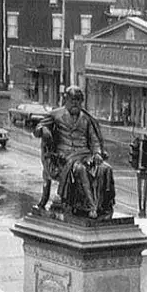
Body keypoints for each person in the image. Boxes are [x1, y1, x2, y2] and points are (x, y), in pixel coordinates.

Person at [33, 86, 115, 219]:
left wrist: (98, 153)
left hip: (85, 154)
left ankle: (105, 207)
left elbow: (94, 140)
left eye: (78, 100)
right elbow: (37, 128)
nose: (75, 103)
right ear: (66, 100)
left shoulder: (86, 119)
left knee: (105, 169)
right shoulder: (56, 115)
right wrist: (43, 130)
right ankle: (90, 206)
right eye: (72, 100)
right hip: (64, 157)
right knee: (80, 169)